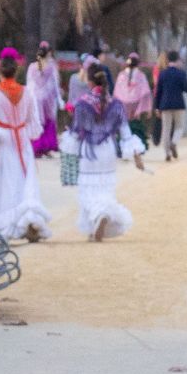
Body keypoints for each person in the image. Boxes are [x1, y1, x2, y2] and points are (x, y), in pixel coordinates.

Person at [0, 49, 51, 242]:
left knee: (3, 186)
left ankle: (6, 224)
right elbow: (34, 124)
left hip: (2, 143)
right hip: (22, 141)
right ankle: (27, 219)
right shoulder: (27, 93)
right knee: (24, 181)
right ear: (16, 72)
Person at [62, 69, 144, 240]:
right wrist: (137, 155)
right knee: (106, 189)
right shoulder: (116, 104)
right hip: (108, 151)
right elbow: (126, 134)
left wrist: (67, 146)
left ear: (90, 83)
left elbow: (76, 132)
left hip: (89, 152)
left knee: (88, 190)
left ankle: (97, 217)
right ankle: (101, 215)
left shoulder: (82, 104)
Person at [24, 42, 62, 157]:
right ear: (48, 53)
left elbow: (29, 84)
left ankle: (37, 147)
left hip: (36, 99)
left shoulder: (32, 67)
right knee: (48, 123)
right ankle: (47, 147)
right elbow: (55, 84)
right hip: (48, 101)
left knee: (37, 122)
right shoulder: (51, 67)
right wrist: (59, 99)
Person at [155, 49, 187, 160]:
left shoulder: (162, 73)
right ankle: (174, 143)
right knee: (179, 127)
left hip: (165, 104)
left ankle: (167, 154)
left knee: (166, 129)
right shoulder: (181, 73)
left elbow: (158, 91)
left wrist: (157, 107)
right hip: (178, 103)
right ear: (178, 60)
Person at [113, 53, 153, 149]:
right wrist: (146, 108)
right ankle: (137, 147)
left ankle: (123, 146)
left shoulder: (122, 75)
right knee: (136, 125)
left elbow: (116, 92)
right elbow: (146, 92)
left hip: (123, 104)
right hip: (136, 105)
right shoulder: (140, 75)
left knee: (123, 126)